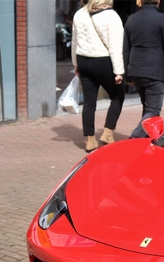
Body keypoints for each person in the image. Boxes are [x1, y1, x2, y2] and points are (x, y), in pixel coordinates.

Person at [123, 0, 164, 138]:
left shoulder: (131, 20)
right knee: (153, 110)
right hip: (154, 72)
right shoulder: (163, 19)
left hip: (136, 70)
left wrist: (127, 75)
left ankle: (144, 144)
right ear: (158, 1)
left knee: (147, 109)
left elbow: (125, 50)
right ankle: (134, 139)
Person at [71, 0, 125, 152]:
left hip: (83, 60)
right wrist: (118, 71)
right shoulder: (112, 16)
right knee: (117, 96)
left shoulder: (79, 14)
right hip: (103, 61)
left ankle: (89, 140)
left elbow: (74, 42)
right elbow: (115, 46)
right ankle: (107, 134)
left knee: (89, 101)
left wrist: (76, 64)